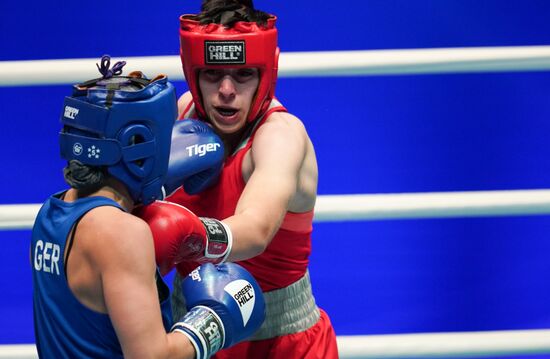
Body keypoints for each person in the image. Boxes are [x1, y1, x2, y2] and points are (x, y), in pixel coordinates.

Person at [136, 1, 339, 357]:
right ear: (193, 73)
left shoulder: (279, 136)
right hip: (193, 334)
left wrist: (185, 233)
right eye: (213, 74)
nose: (226, 90)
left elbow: (256, 228)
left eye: (243, 74)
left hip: (282, 344)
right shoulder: (184, 113)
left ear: (266, 75)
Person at [30, 55, 265, 359]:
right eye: (165, 138)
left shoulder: (49, 213)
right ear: (137, 142)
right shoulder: (122, 234)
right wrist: (213, 322)